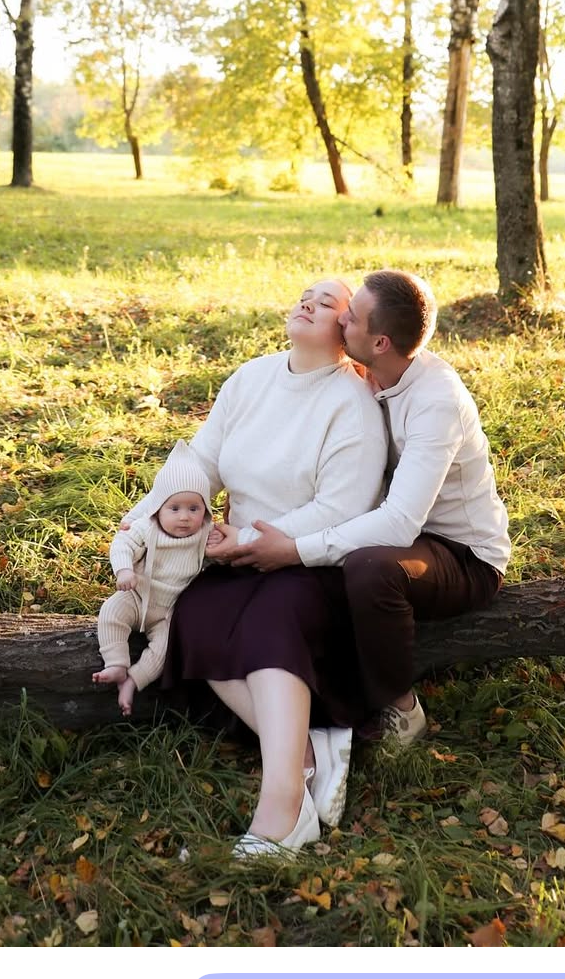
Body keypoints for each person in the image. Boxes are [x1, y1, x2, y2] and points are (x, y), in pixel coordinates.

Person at [144, 278, 387, 858]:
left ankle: (284, 810)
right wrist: (149, 514)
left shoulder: (352, 403)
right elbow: (200, 460)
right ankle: (307, 752)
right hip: (235, 552)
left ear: (347, 330)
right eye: (306, 294)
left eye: (328, 302)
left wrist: (253, 540)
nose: (309, 303)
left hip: (314, 559)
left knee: (271, 620)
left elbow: (341, 508)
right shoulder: (251, 378)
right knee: (192, 613)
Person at [234, 268, 510, 747]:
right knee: (331, 573)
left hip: (461, 554)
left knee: (368, 567)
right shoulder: (371, 373)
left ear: (380, 342)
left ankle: (401, 708)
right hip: (404, 532)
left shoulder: (435, 401)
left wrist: (296, 548)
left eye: (352, 317)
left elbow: (400, 523)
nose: (341, 319)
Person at [93, 450, 212, 716]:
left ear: (205, 510)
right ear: (158, 508)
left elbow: (218, 557)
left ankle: (133, 681)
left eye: (194, 508)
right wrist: (124, 571)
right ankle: (116, 663)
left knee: (164, 650)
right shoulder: (148, 528)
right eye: (175, 508)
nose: (184, 517)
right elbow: (122, 543)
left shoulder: (205, 534)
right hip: (137, 595)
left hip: (169, 611)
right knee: (111, 612)